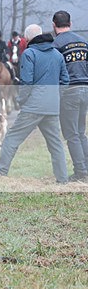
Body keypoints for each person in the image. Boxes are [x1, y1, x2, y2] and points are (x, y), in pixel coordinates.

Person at [0, 24, 69, 183]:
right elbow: (65, 81)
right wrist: (55, 96)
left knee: (12, 138)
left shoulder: (29, 53)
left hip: (33, 107)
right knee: (56, 145)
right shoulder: (57, 54)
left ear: (27, 38)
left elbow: (26, 83)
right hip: (52, 107)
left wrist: (20, 100)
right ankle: (63, 180)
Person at [52, 10, 88, 182]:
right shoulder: (84, 42)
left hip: (69, 92)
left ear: (54, 25)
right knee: (81, 132)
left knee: (72, 134)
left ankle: (81, 172)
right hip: (85, 89)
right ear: (70, 23)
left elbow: (55, 72)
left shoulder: (55, 45)